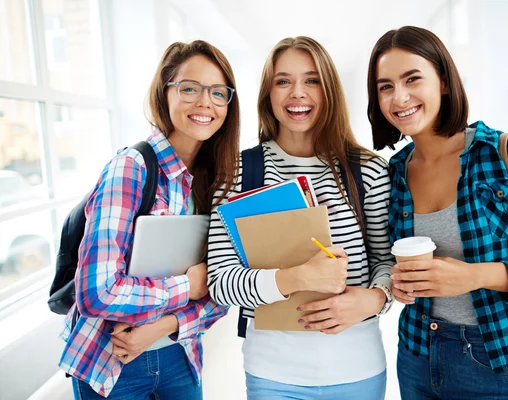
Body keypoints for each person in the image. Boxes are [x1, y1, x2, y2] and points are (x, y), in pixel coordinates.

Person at [367, 26, 508, 400]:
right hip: (417, 351)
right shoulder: (394, 172)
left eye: (412, 79)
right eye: (385, 86)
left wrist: (474, 276)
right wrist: (398, 283)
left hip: (493, 356)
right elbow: (391, 261)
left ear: (443, 82)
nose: (399, 97)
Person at [207, 36, 395, 400]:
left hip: (357, 368)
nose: (297, 93)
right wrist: (296, 278)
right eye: (283, 81)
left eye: (311, 80)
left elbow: (386, 262)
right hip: (272, 373)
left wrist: (373, 298)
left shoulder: (368, 171)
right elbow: (220, 282)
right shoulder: (236, 172)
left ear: (329, 92)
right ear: (267, 94)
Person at [58, 40, 240, 399]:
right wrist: (187, 287)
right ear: (165, 92)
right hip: (111, 361)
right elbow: (97, 293)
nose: (205, 102)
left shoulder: (220, 180)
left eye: (219, 93)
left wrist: (164, 326)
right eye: (190, 88)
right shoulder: (131, 170)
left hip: (180, 353)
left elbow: (224, 288)